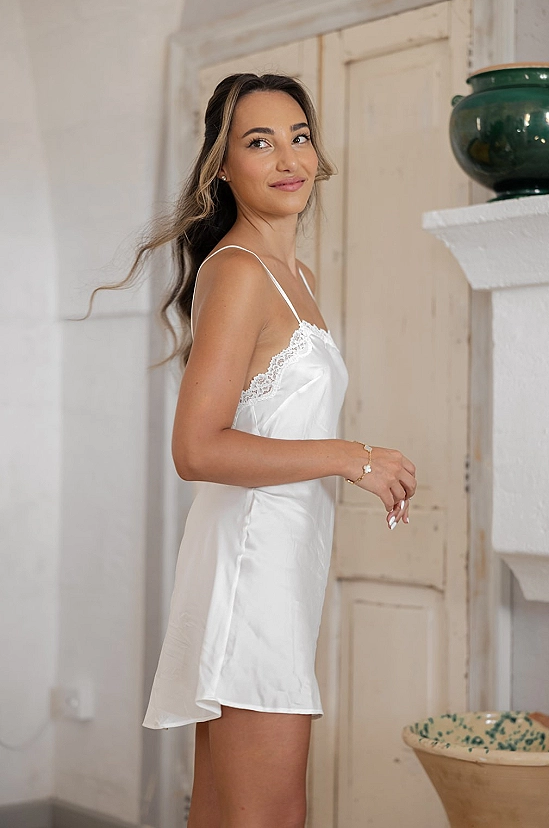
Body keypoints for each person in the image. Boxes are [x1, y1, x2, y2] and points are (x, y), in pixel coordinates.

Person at [87, 72, 416, 828]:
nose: (287, 157)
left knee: (234, 815)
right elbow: (197, 448)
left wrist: (346, 456)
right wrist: (349, 456)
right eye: (259, 141)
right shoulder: (238, 273)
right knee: (269, 816)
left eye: (298, 136)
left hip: (275, 568)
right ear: (222, 167)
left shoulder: (291, 276)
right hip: (250, 573)